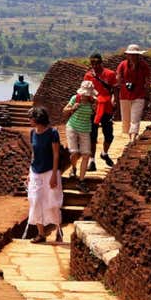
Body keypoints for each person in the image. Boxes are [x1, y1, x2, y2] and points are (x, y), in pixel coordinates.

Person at [26, 107, 63, 243]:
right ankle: (41, 234)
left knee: (53, 202)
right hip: (36, 171)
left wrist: (54, 175)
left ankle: (58, 230)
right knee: (34, 200)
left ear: (37, 119)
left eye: (30, 118)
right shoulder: (32, 133)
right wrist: (29, 172)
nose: (29, 120)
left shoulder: (52, 133)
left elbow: (56, 155)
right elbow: (33, 154)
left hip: (50, 171)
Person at [84, 53, 117, 171]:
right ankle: (92, 161)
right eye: (92, 63)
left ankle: (104, 153)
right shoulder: (88, 75)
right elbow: (86, 92)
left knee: (109, 135)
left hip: (107, 106)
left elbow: (115, 89)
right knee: (92, 136)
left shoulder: (110, 74)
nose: (95, 65)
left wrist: (114, 100)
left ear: (101, 62)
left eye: (97, 63)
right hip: (94, 107)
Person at [63, 81, 97, 193]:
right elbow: (64, 111)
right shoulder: (75, 98)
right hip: (72, 127)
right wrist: (72, 108)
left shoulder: (93, 102)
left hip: (85, 129)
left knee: (86, 154)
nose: (85, 96)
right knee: (74, 152)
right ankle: (73, 168)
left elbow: (96, 114)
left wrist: (95, 108)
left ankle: (81, 181)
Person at [116, 44, 151, 143]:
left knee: (135, 118)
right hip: (125, 96)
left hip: (139, 95)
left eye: (135, 55)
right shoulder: (122, 65)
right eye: (131, 55)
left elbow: (148, 81)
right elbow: (118, 78)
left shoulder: (144, 66)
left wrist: (147, 95)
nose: (133, 57)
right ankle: (131, 137)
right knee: (126, 120)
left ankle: (132, 139)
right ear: (127, 55)